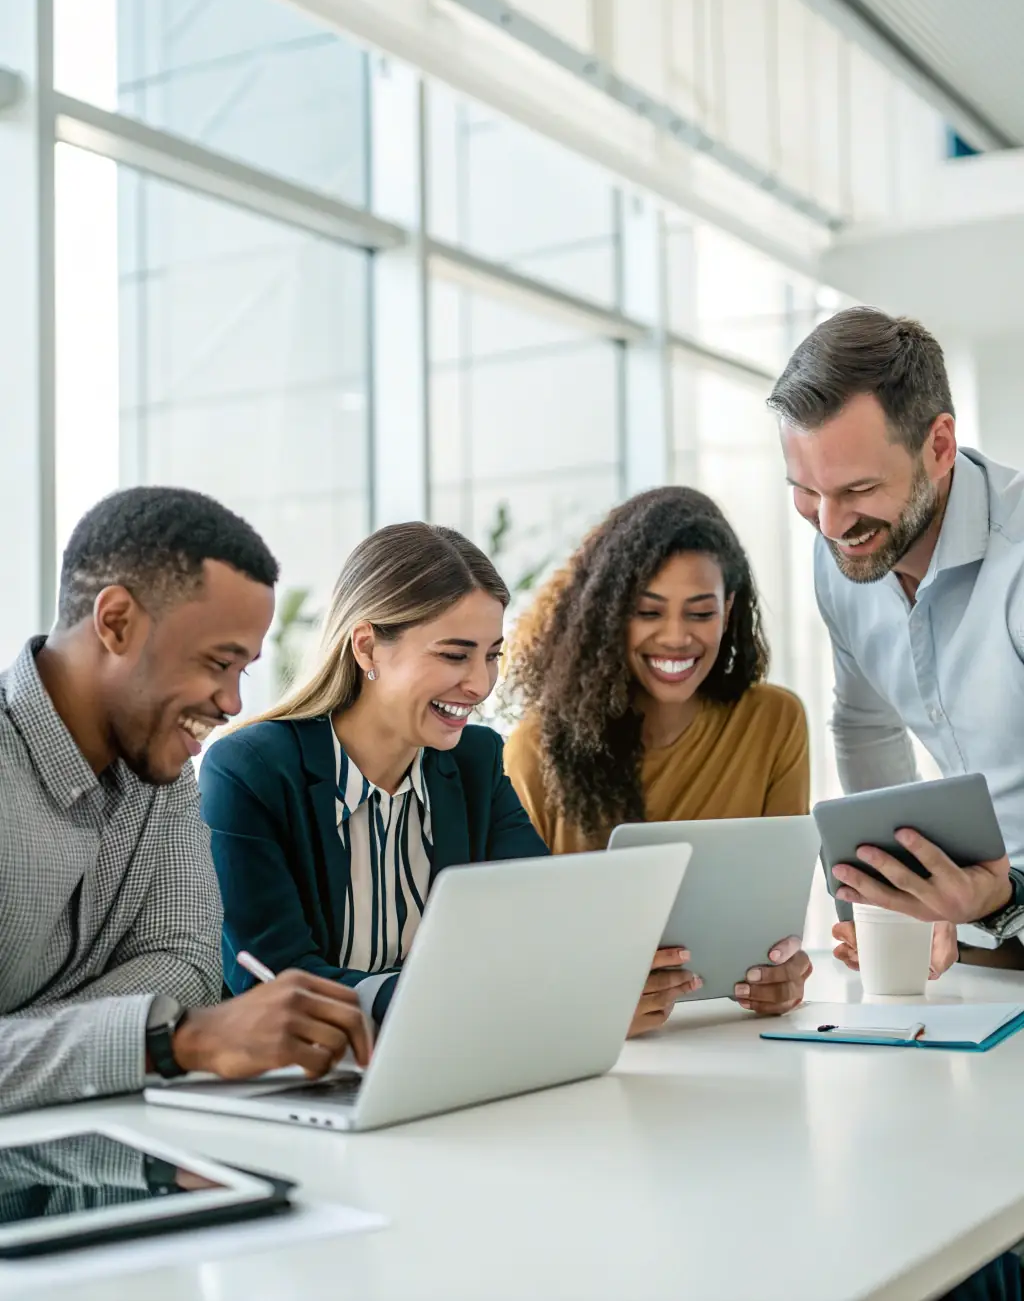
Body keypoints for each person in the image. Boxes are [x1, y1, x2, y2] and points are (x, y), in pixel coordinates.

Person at [0, 487, 371, 1116]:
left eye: (243, 671)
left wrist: (24, 1040)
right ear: (116, 622)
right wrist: (172, 1039)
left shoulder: (163, 771)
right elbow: (180, 1016)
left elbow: (187, 969)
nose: (231, 703)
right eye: (217, 662)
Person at [200, 522, 550, 1030]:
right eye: (454, 654)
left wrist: (609, 976)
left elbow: (540, 919)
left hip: (451, 1056)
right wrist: (449, 999)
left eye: (492, 655)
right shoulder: (248, 771)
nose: (480, 684)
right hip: (303, 1077)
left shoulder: (475, 759)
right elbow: (277, 981)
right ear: (366, 647)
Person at [768, 306, 1024, 976]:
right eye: (805, 491)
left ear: (940, 446)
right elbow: (865, 722)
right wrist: (893, 884)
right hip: (976, 941)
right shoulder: (841, 556)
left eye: (858, 488)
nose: (829, 524)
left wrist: (1004, 896)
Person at [502, 486, 814, 1030]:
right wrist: (592, 1001)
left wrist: (783, 974)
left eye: (700, 612)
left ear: (729, 611)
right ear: (609, 614)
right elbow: (507, 955)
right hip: (588, 1063)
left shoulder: (775, 722)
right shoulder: (535, 750)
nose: (676, 638)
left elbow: (776, 921)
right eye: (648, 611)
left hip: (733, 1042)